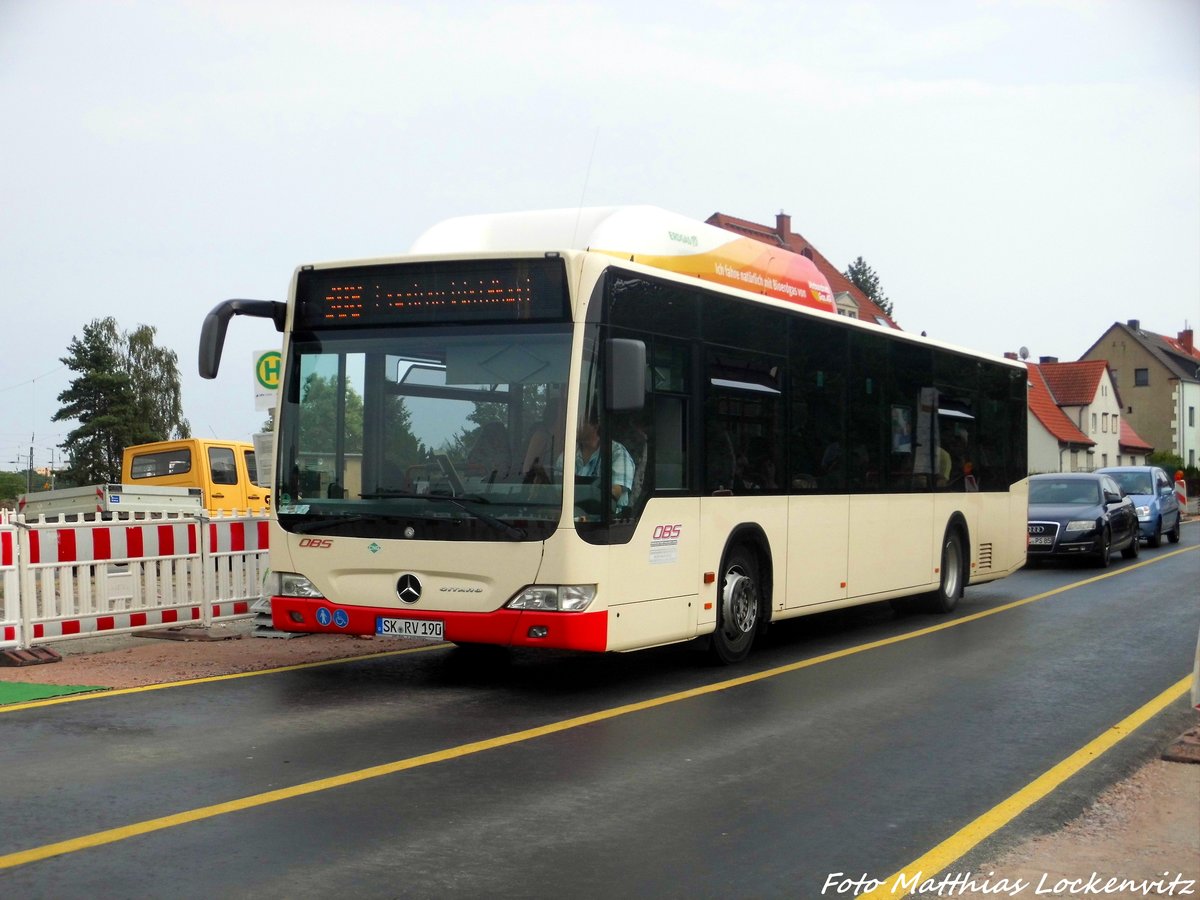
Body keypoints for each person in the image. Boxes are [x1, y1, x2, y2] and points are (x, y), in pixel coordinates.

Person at [561, 416, 635, 515]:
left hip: (606, 521)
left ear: (595, 427)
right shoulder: (568, 452)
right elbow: (557, 487)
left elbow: (615, 492)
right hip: (568, 516)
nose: (575, 426)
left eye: (579, 422)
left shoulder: (617, 453)